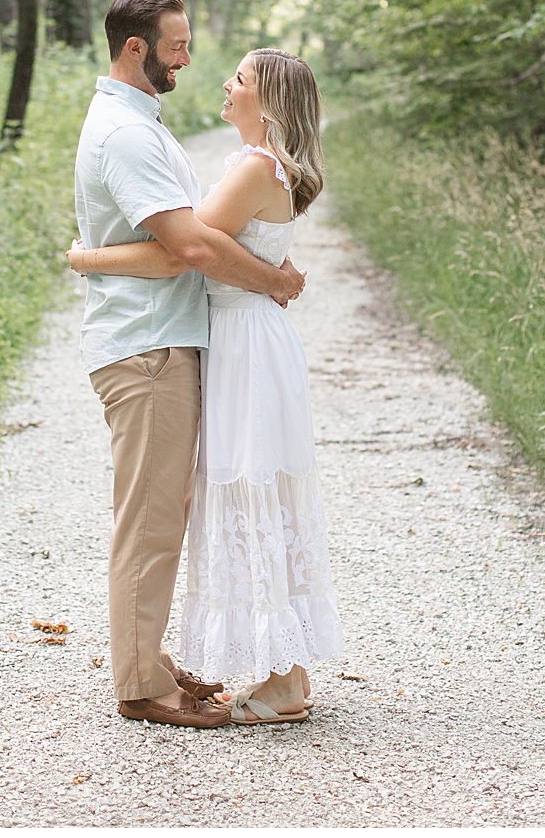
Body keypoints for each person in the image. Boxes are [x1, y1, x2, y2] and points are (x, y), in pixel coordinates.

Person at [71, 46, 342, 726]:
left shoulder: (254, 167)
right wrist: (276, 276)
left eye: (241, 79)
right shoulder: (255, 167)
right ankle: (285, 672)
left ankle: (285, 680)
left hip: (247, 344)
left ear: (268, 100)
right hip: (245, 338)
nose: (226, 82)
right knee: (255, 495)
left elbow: (179, 253)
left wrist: (85, 256)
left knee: (252, 493)